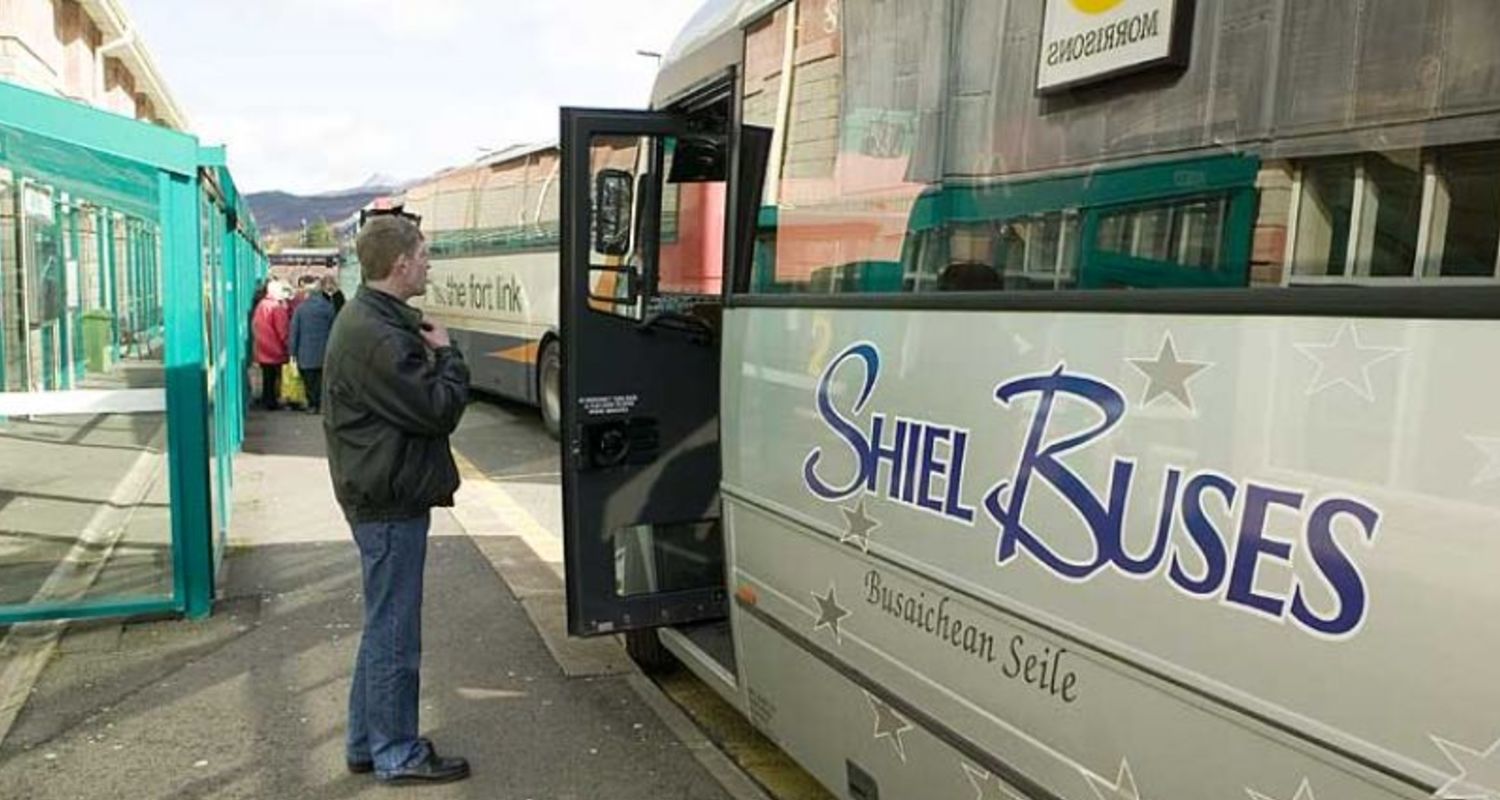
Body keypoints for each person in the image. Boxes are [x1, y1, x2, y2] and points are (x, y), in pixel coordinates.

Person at [321, 215, 471, 785]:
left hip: (379, 490)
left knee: (383, 623)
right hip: (388, 500)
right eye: (425, 255)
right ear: (401, 263)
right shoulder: (379, 336)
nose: (429, 264)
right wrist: (449, 355)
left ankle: (368, 742)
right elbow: (437, 408)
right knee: (394, 633)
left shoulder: (368, 320)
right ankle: (397, 753)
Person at [289, 278, 336, 414]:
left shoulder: (301, 309)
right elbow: (333, 328)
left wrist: (292, 352)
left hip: (305, 352)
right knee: (321, 380)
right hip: (324, 351)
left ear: (308, 294)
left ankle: (312, 404)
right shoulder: (328, 308)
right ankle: (321, 404)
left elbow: (294, 331)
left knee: (309, 381)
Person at [251, 280, 291, 410]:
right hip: (275, 349)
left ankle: (267, 400)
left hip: (262, 348)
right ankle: (273, 402)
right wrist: (288, 345)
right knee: (275, 378)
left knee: (267, 378)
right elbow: (282, 330)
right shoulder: (277, 308)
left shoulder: (261, 305)